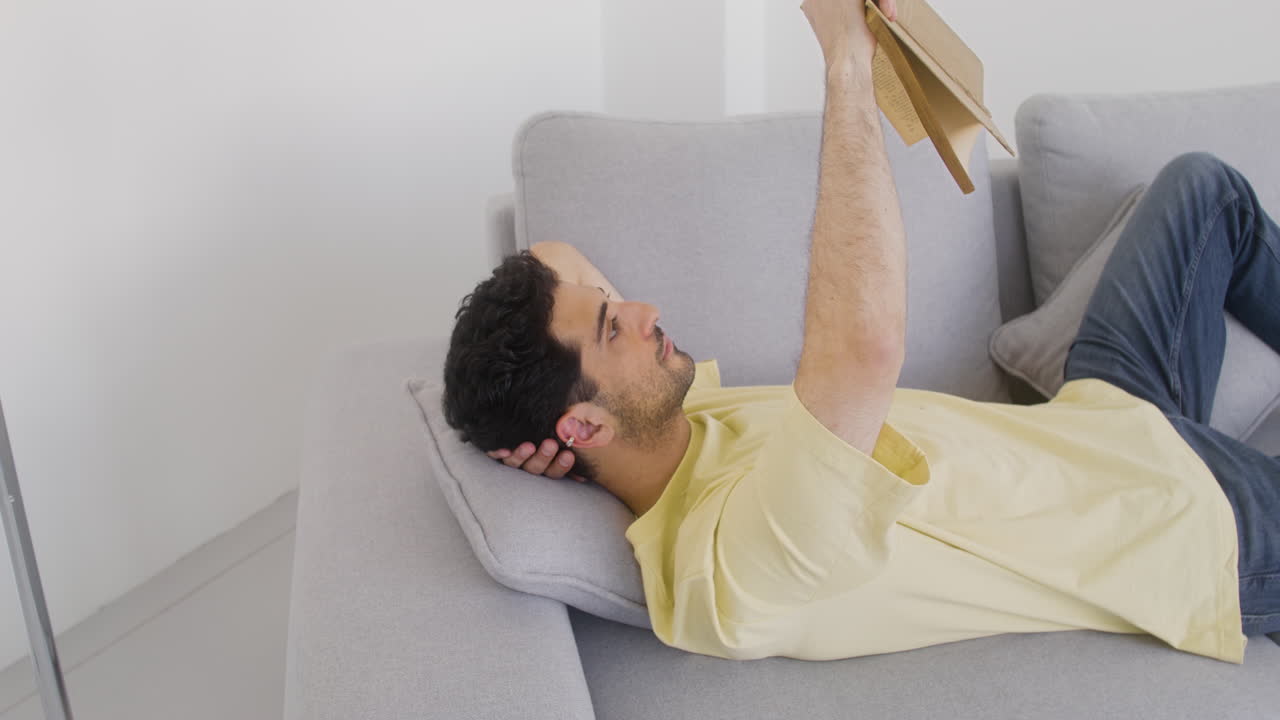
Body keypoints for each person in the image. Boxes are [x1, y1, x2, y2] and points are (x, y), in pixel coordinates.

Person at [442, 0, 1279, 663]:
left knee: (1202, 192)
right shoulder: (729, 565)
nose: (646, 311)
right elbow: (865, 344)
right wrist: (847, 59)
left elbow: (552, 256)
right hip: (1186, 523)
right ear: (585, 420)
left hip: (1100, 419)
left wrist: (564, 442)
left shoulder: (681, 421)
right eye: (612, 327)